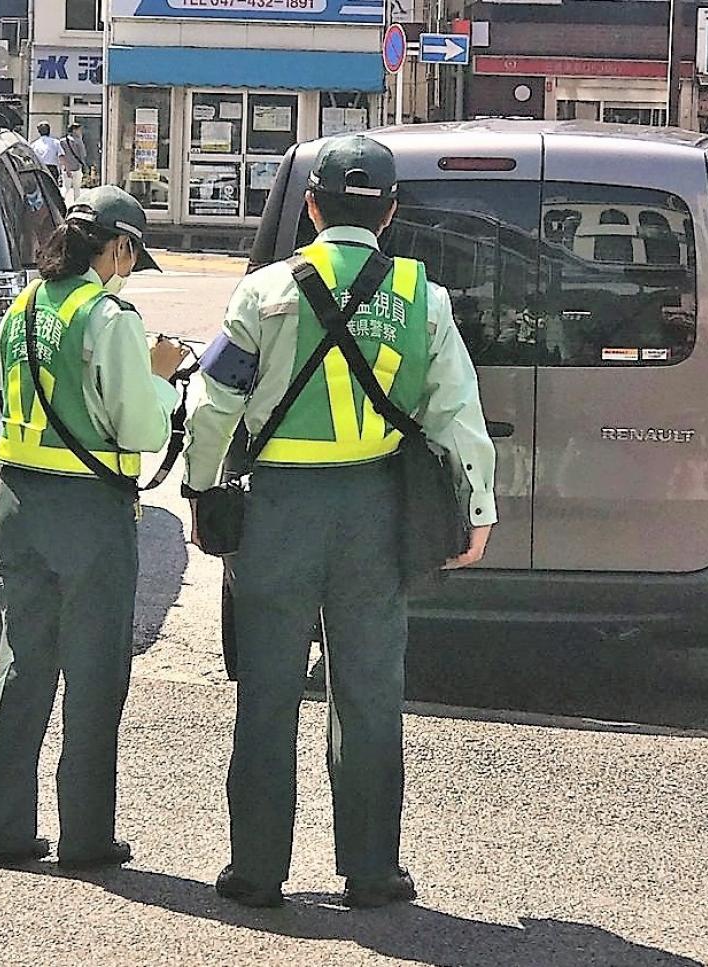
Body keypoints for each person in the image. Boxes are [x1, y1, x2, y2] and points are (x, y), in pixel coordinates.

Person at [183, 134, 497, 909]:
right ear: (388, 214)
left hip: (278, 510)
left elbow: (212, 402)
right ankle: (370, 870)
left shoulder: (260, 292)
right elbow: (457, 412)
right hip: (373, 510)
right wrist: (477, 508)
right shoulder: (424, 296)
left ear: (312, 206)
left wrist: (201, 491)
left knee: (266, 690)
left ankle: (256, 871)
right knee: (367, 691)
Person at [0, 186, 188, 870]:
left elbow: (11, 397)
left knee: (24, 665)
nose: (128, 268)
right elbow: (142, 428)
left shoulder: (25, 304)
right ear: (117, 247)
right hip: (88, 511)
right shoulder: (110, 316)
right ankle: (85, 836)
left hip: (17, 500)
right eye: (130, 255)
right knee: (94, 675)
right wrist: (161, 376)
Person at [59, 123, 88, 207]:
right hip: (76, 167)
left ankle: (61, 201)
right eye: (79, 130)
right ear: (74, 130)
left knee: (65, 187)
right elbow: (83, 154)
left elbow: (60, 155)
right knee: (76, 188)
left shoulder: (62, 141)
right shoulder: (78, 141)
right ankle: (76, 204)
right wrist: (84, 165)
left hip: (66, 168)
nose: (80, 132)